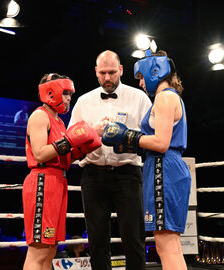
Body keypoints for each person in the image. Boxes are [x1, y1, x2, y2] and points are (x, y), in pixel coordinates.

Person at [102, 49, 191, 270]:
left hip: (163, 167)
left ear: (154, 71)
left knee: (167, 246)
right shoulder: (170, 97)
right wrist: (129, 140)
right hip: (163, 166)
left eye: (141, 77)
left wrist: (128, 135)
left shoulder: (164, 98)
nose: (141, 83)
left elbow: (161, 142)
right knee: (170, 245)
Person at [68, 50, 152, 270]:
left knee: (134, 238)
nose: (107, 78)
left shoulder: (139, 98)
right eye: (103, 72)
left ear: (121, 70)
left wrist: (127, 137)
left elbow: (153, 136)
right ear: (96, 72)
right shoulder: (84, 102)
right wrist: (92, 133)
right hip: (93, 174)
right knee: (96, 240)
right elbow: (70, 141)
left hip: (128, 173)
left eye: (112, 72)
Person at [22, 73, 102, 270]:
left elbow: (62, 158)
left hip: (58, 182)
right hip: (42, 181)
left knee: (50, 250)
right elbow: (40, 154)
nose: (68, 98)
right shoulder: (40, 115)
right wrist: (69, 140)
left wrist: (82, 149)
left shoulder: (58, 121)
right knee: (38, 251)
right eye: (65, 93)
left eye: (70, 94)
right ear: (51, 92)